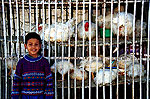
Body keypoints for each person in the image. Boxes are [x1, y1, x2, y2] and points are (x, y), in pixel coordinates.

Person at [11, 32, 54, 99]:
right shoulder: (21, 62)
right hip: (25, 97)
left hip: (41, 96)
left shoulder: (44, 62)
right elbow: (16, 81)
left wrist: (49, 96)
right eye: (30, 44)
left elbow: (49, 81)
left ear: (40, 46)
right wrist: (15, 96)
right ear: (25, 46)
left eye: (36, 44)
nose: (33, 47)